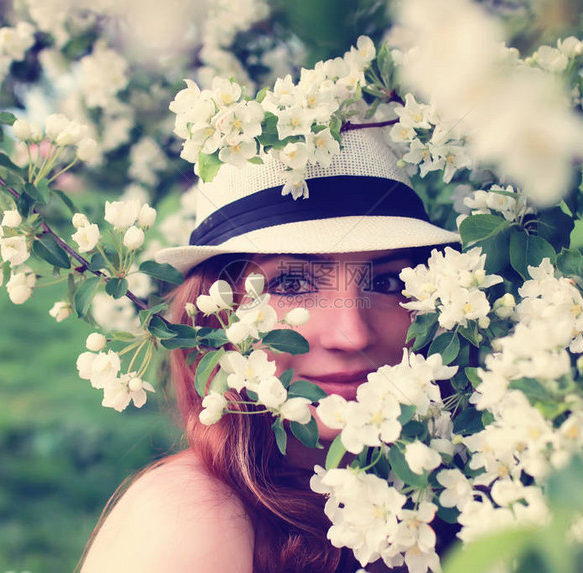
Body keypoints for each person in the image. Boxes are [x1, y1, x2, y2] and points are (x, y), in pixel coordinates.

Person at [78, 128, 459, 573]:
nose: (352, 335)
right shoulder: (192, 520)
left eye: (387, 282)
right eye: (292, 284)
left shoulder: (464, 480)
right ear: (215, 317)